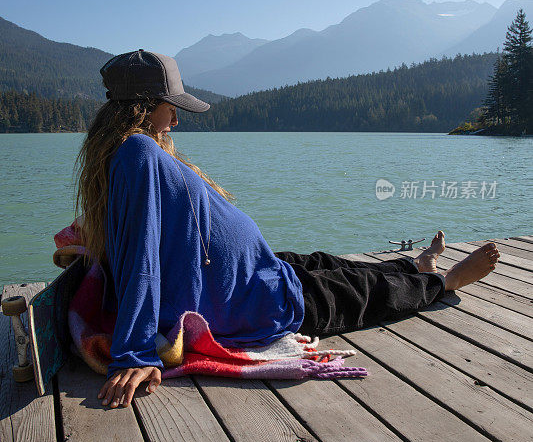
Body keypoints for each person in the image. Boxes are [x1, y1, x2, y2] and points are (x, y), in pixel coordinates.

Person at [73, 49, 501, 409]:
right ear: (145, 104)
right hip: (256, 302)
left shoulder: (127, 152)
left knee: (326, 263)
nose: (177, 121)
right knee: (360, 292)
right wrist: (134, 350)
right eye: (172, 107)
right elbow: (142, 253)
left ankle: (414, 263)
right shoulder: (139, 153)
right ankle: (442, 282)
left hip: (256, 273)